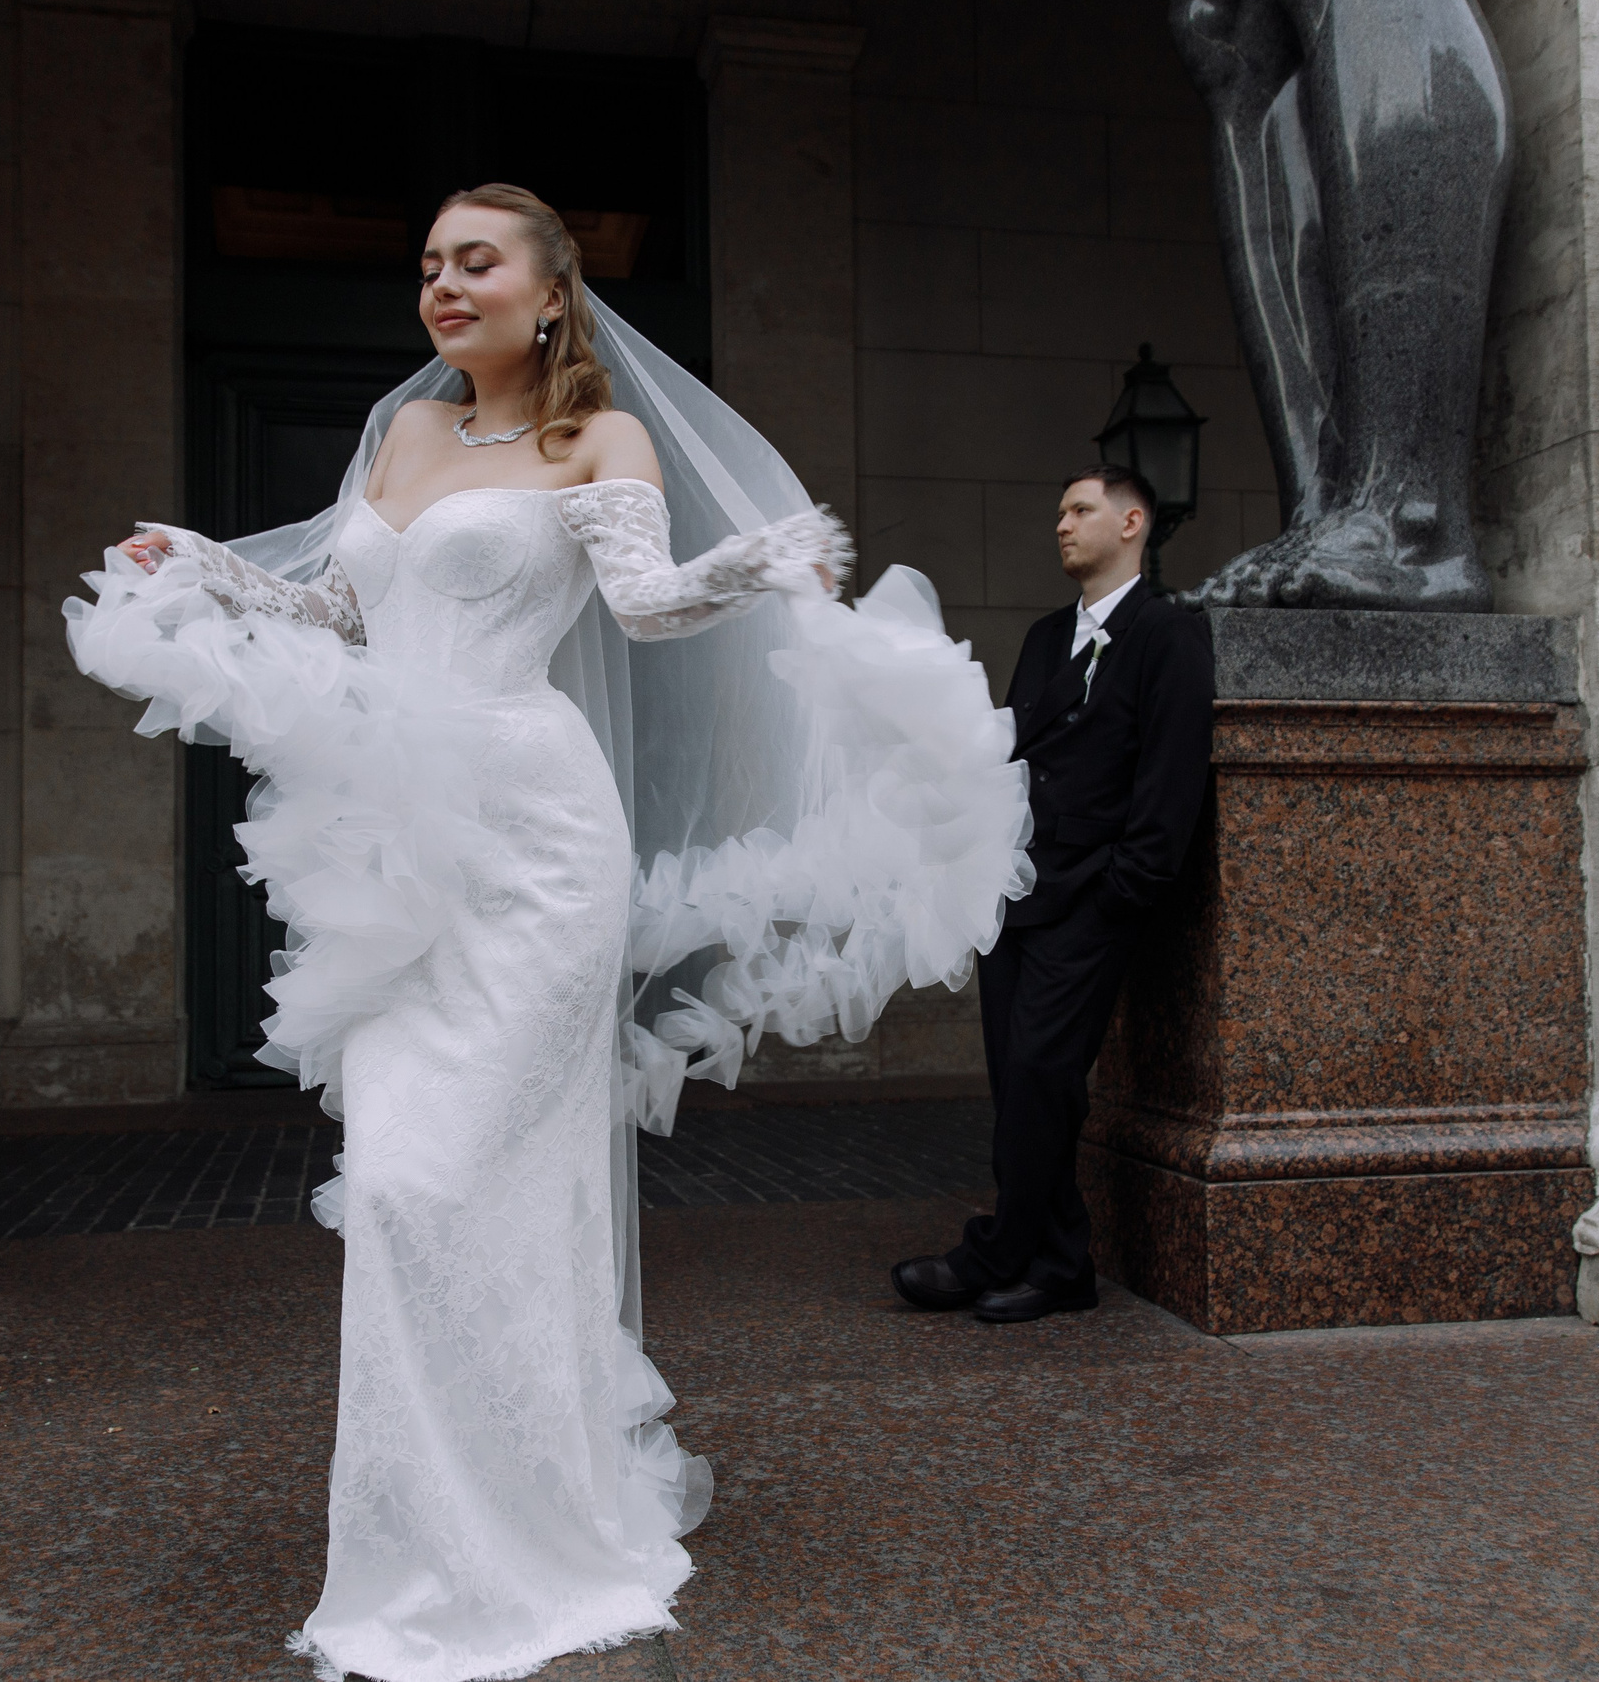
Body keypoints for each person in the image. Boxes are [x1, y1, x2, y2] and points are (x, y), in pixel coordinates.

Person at [60, 184, 1033, 1682]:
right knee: (394, 1182)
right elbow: (339, 608)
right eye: (430, 264)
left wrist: (760, 563)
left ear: (550, 293)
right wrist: (202, 564)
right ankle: (418, 1537)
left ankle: (535, 1529)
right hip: (406, 846)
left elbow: (641, 607)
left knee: (478, 1174)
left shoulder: (598, 440)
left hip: (535, 839)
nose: (443, 286)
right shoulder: (400, 437)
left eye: (475, 262)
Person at [892, 468, 1215, 1324]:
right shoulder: (1042, 636)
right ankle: (1062, 1260)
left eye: (1080, 510)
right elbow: (1012, 762)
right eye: (1059, 513)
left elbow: (1170, 776)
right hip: (1014, 888)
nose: (1062, 525)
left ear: (1133, 520)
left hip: (1093, 900)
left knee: (1043, 1070)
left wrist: (1123, 891)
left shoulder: (1168, 631)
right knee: (1023, 1079)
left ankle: (996, 1250)